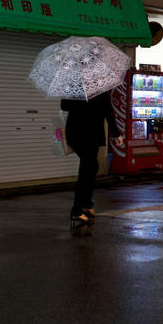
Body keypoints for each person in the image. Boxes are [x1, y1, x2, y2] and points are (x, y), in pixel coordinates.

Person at [60, 90, 122, 230]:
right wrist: (80, 97)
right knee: (87, 168)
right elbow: (64, 106)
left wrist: (116, 133)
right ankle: (77, 211)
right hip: (82, 134)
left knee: (91, 167)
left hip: (87, 133)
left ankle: (86, 204)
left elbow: (108, 111)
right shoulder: (81, 87)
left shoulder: (95, 88)